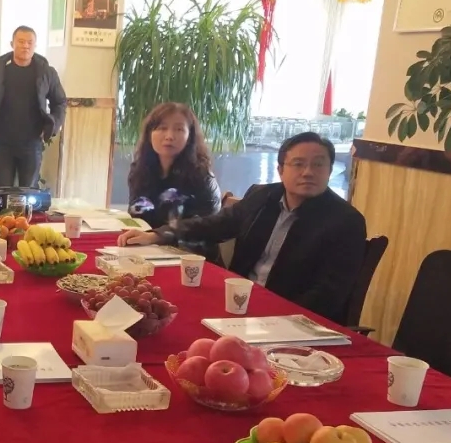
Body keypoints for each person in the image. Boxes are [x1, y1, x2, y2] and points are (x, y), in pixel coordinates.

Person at [117, 132, 367, 324]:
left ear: (330, 170)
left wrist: (272, 316)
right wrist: (158, 235)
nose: (308, 172)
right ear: (281, 170)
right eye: (298, 164)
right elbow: (214, 225)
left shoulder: (346, 221)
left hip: (289, 320)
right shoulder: (263, 197)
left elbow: (328, 295)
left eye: (318, 165)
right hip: (238, 306)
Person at [0, 25, 66, 188]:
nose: (25, 46)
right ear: (12, 44)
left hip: (32, 141)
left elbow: (60, 102)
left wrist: (52, 127)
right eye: (21, 42)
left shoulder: (46, 72)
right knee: (2, 189)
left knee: (28, 192)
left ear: (35, 45)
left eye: (30, 42)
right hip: (2, 141)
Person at [125, 102, 222, 228]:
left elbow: (206, 227)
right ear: (149, 134)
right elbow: (136, 217)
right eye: (162, 128)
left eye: (179, 129)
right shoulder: (139, 170)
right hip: (144, 239)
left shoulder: (202, 177)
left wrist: (156, 236)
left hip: (186, 241)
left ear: (190, 137)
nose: (169, 136)